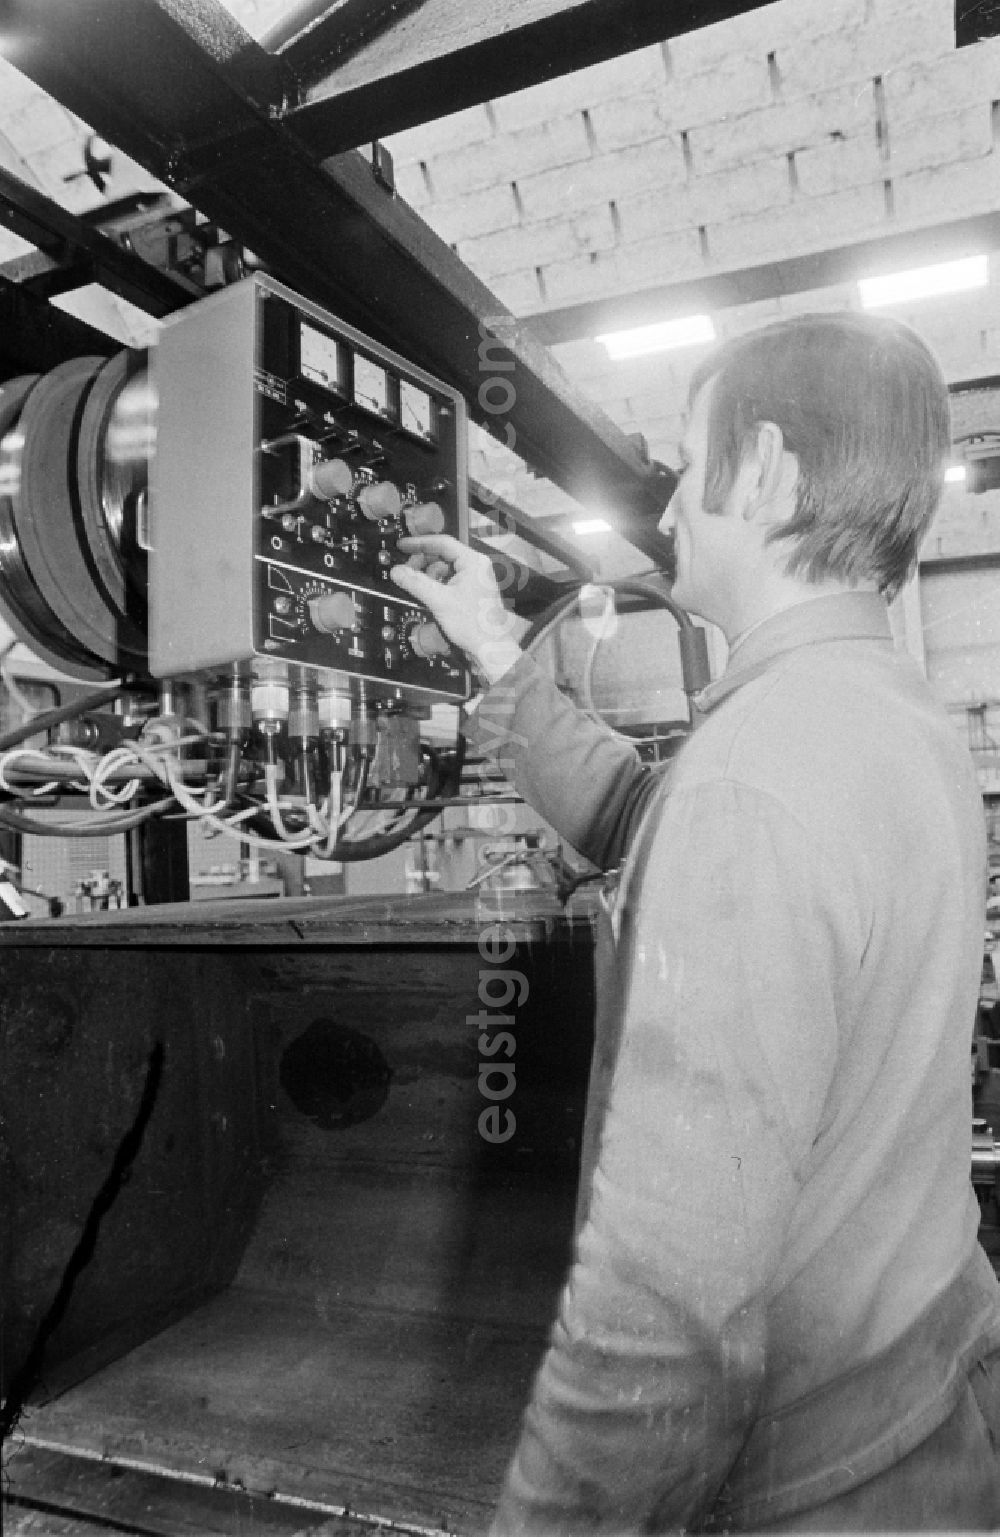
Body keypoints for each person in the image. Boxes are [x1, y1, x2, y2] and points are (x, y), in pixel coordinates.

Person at [390, 312, 1000, 1533]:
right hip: (919, 1421)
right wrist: (501, 655)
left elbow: (660, 1311)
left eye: (685, 462)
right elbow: (647, 820)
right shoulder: (888, 717)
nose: (665, 510)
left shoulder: (755, 774)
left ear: (764, 465)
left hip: (804, 1486)